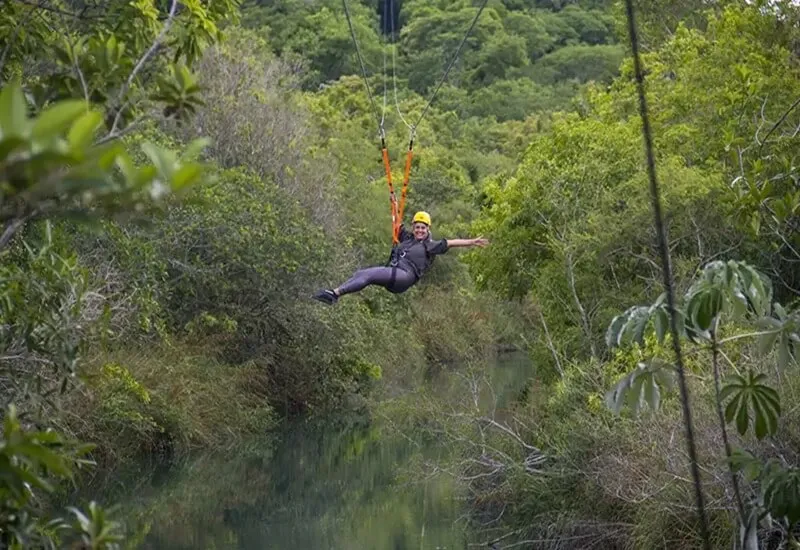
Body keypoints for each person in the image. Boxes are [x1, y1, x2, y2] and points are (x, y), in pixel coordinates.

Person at [312, 211, 489, 305]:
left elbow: (451, 242)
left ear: (428, 230)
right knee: (361, 273)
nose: (419, 230)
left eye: (423, 228)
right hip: (396, 273)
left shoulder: (430, 245)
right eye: (417, 227)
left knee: (368, 276)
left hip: (405, 276)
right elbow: (396, 223)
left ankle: (334, 294)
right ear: (414, 227)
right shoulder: (407, 239)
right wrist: (394, 204)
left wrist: (471, 242)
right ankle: (334, 294)